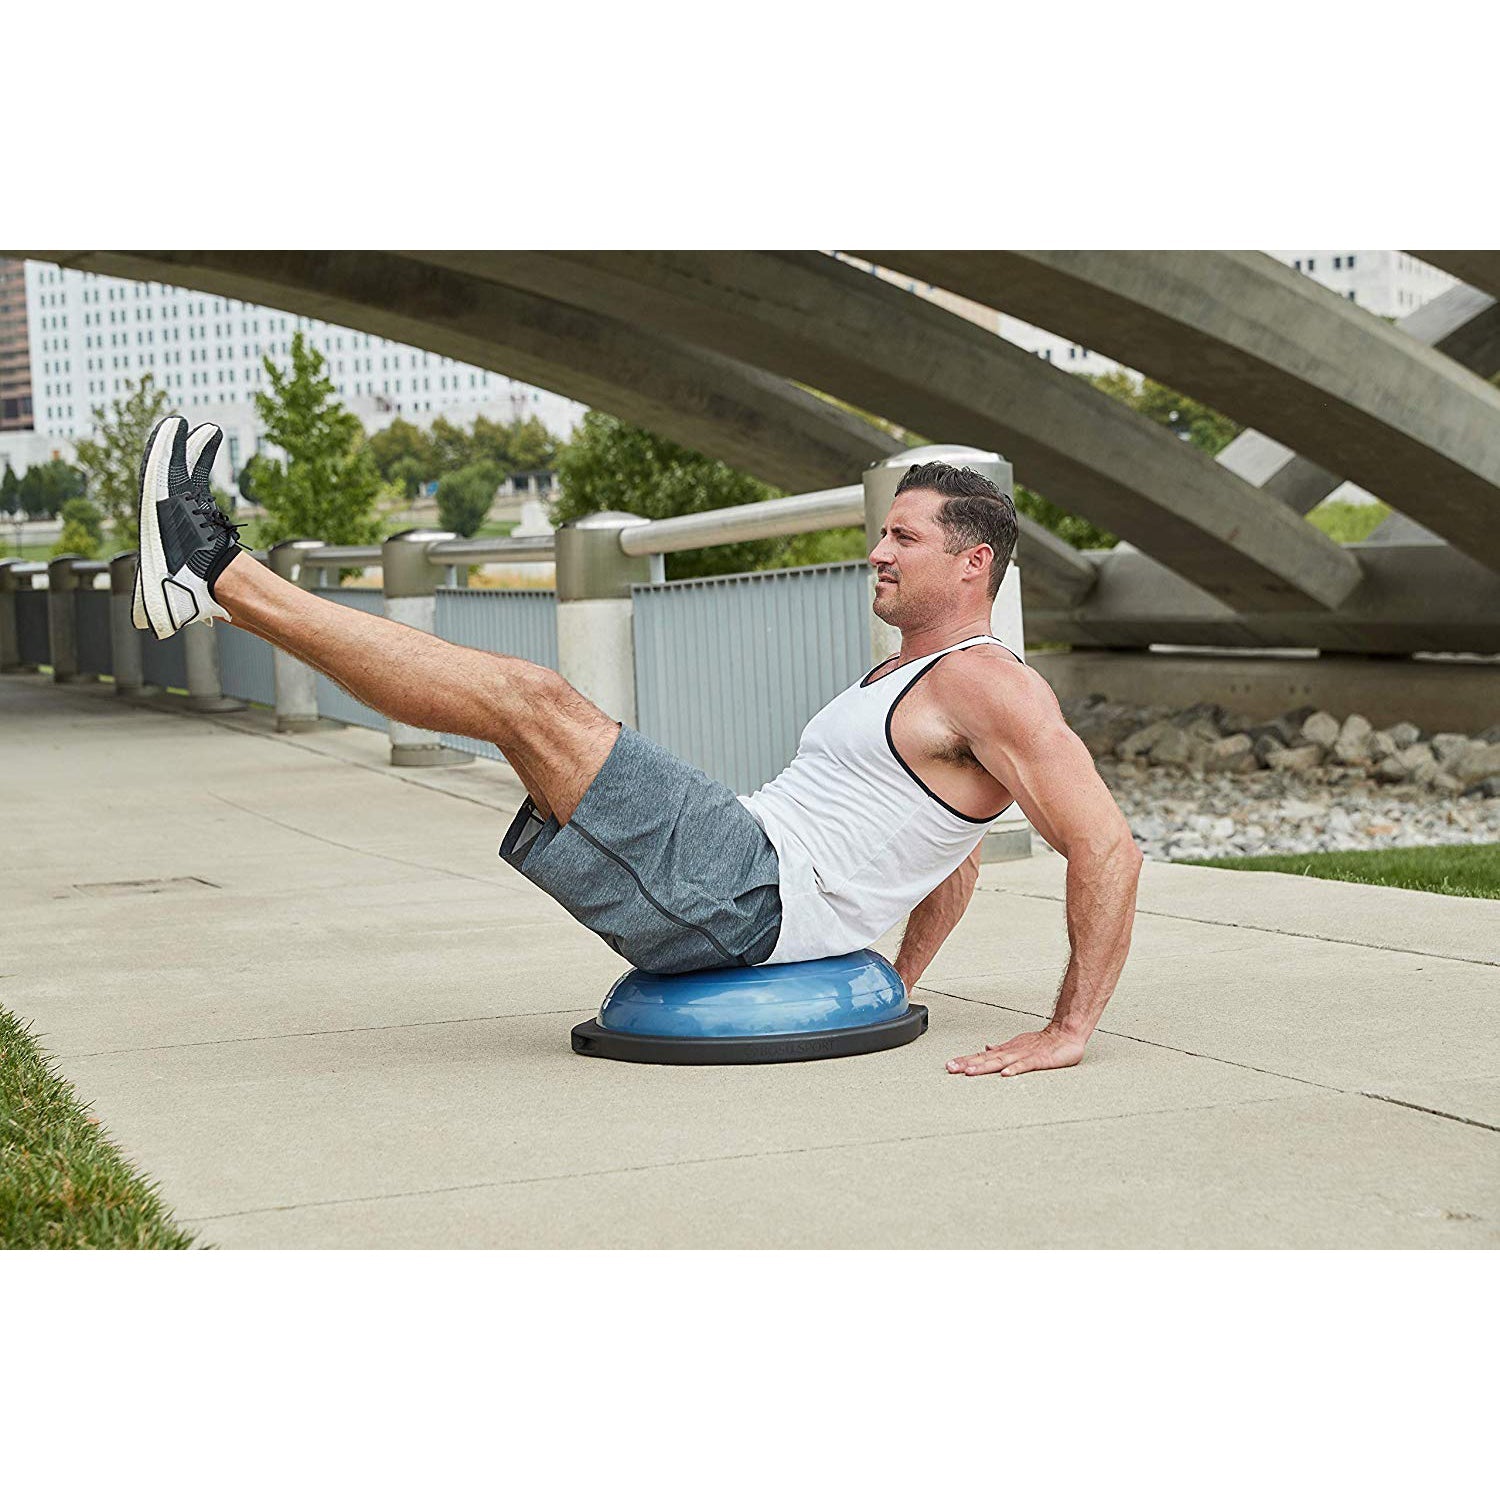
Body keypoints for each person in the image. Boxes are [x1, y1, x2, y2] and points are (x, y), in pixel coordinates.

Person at [134, 415, 1141, 1079]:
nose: (876, 551)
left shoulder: (990, 681)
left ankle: (214, 568)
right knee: (512, 712)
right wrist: (890, 987)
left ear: (973, 563)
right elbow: (951, 857)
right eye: (882, 533)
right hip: (741, 876)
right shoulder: (908, 676)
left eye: (904, 539)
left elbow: (1107, 848)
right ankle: (214, 590)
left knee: (531, 700)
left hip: (746, 890)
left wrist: (1070, 1028)